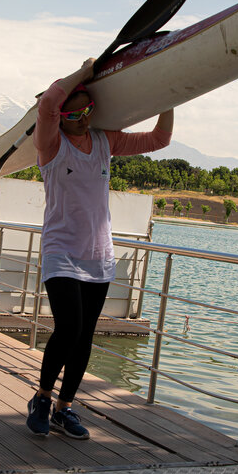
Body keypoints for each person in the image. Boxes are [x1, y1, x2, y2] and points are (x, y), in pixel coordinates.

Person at [27, 58, 173, 439]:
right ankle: (42, 398)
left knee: (85, 335)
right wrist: (83, 71)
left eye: (89, 110)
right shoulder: (50, 143)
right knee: (68, 328)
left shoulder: (106, 141)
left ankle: (65, 407)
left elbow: (160, 140)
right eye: (76, 113)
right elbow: (46, 107)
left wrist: (172, 93)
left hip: (99, 256)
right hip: (60, 251)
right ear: (62, 116)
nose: (85, 118)